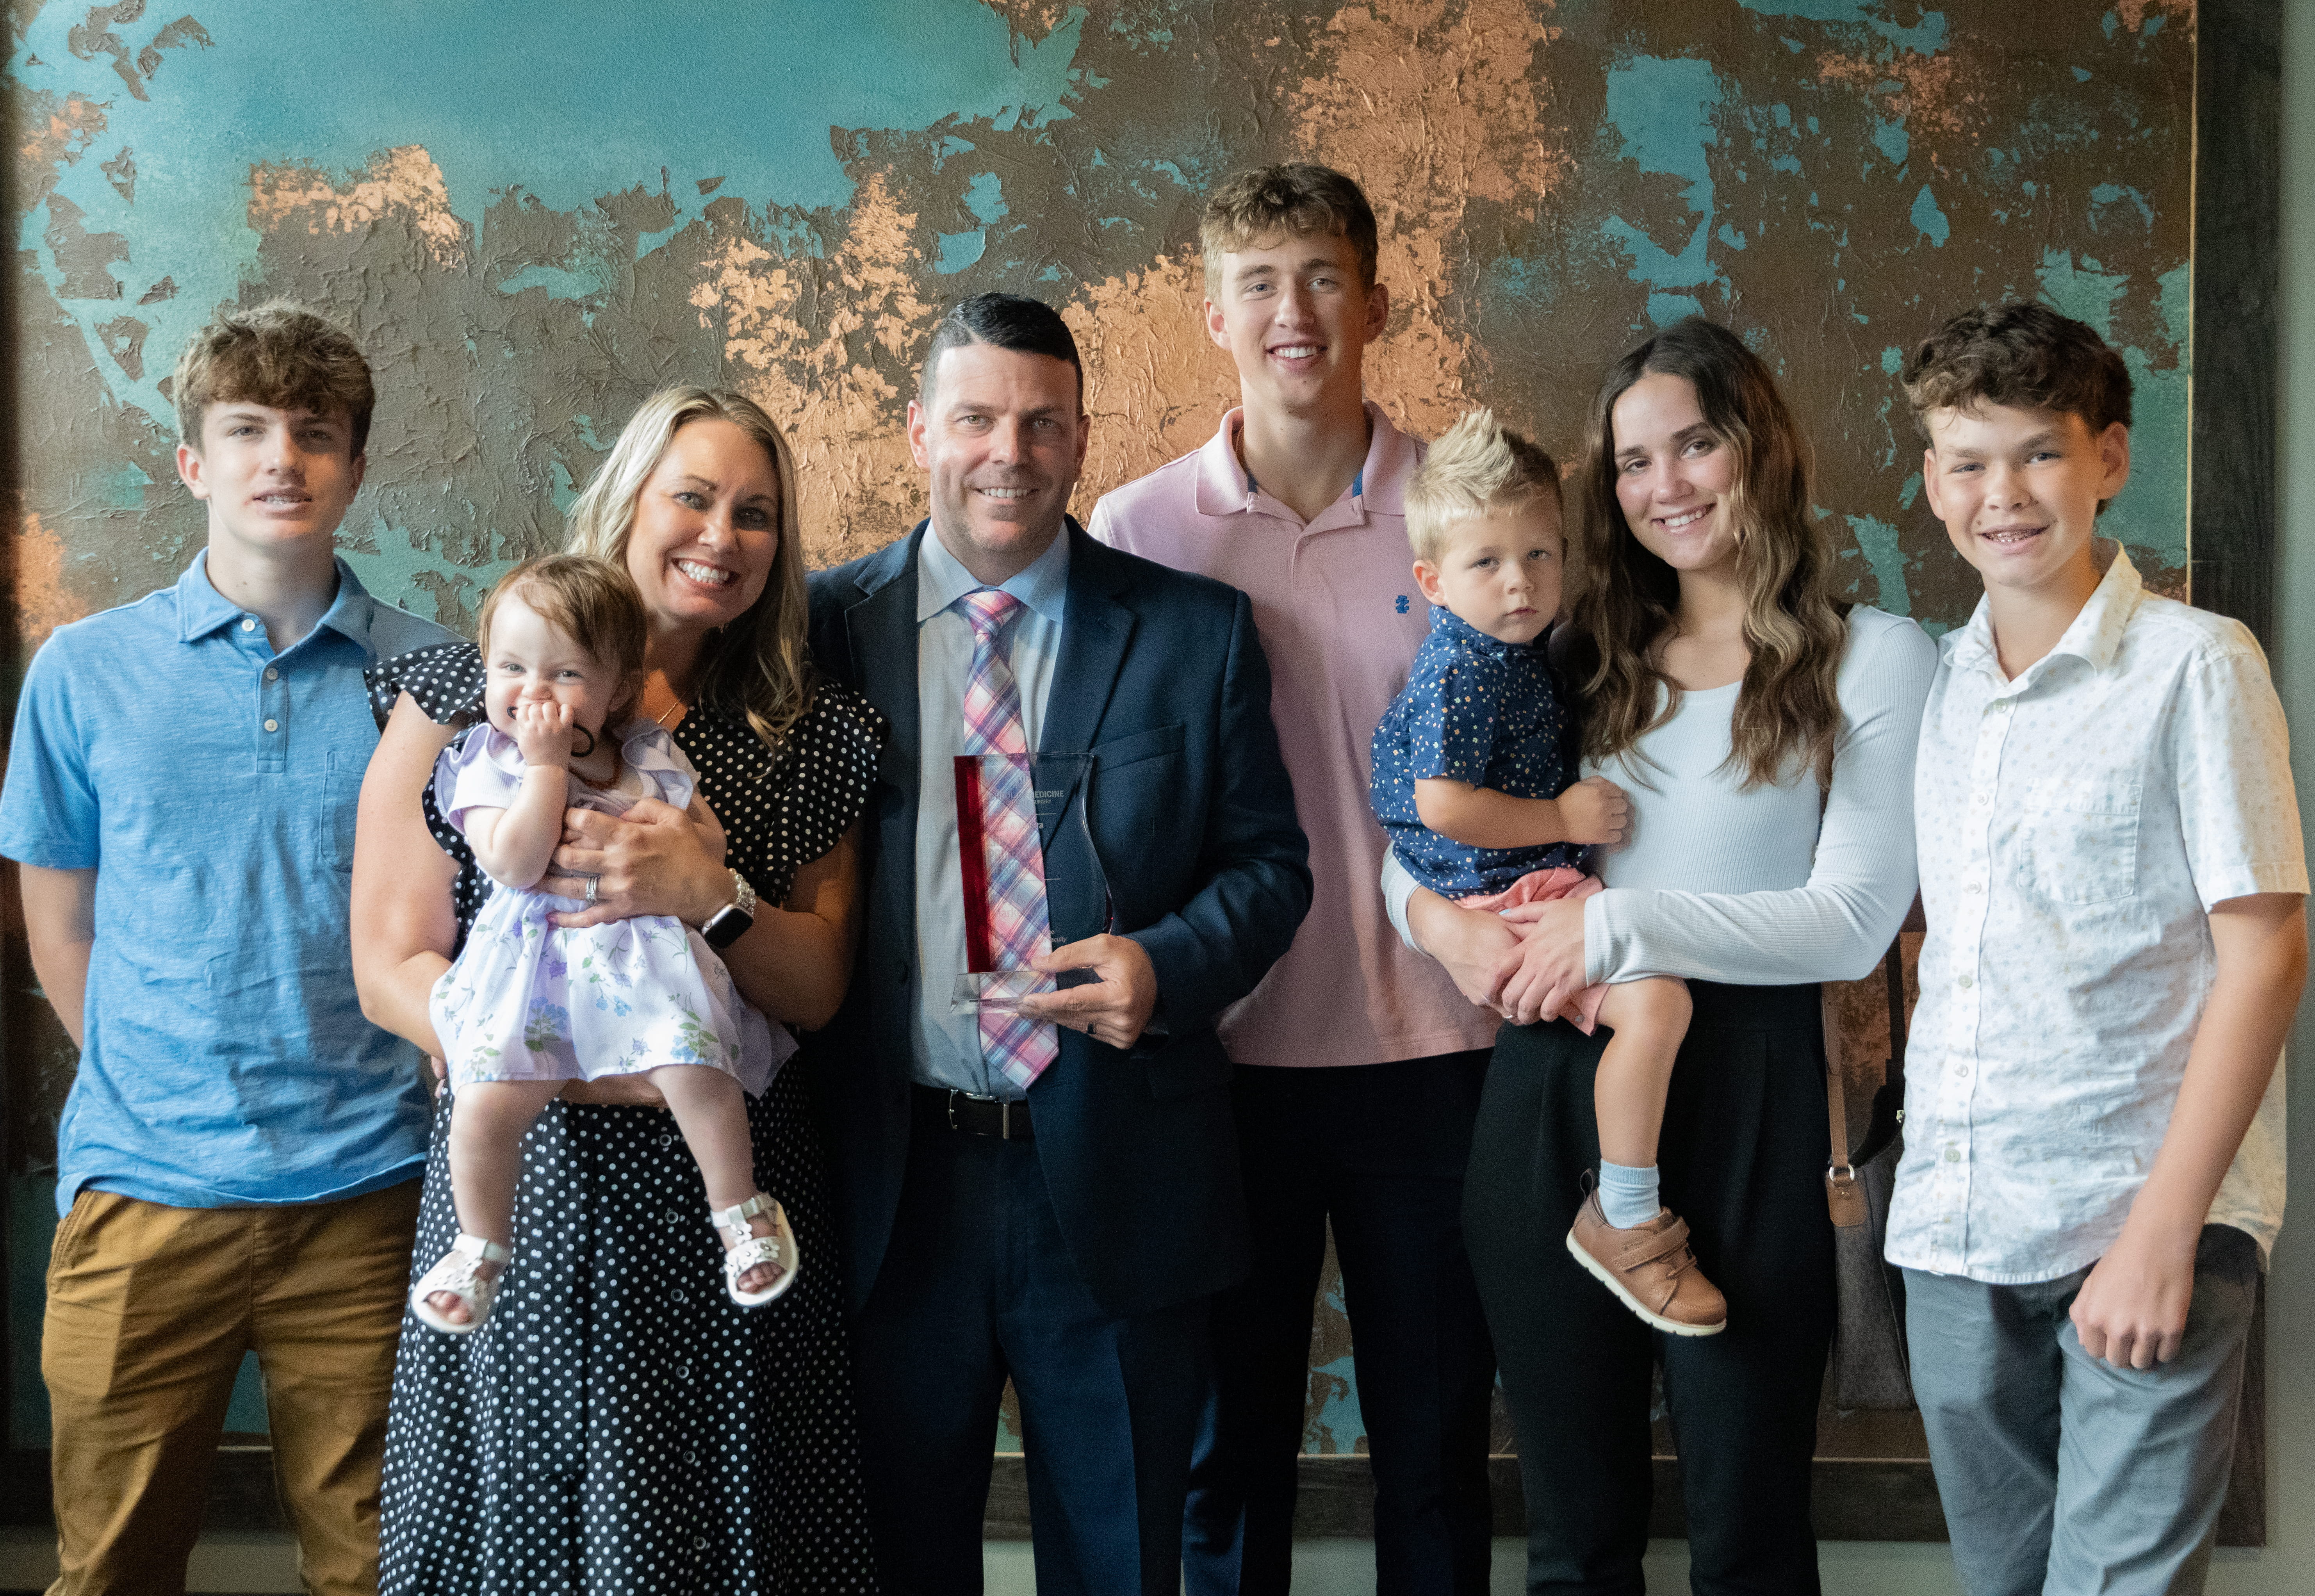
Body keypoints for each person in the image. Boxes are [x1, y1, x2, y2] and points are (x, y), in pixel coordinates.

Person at [1384, 317, 1938, 1592]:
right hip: (1547, 1085)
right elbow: (1413, 822)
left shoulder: (1875, 657)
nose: (1667, 484)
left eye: (1698, 443)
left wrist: (1615, 922)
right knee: (1573, 1540)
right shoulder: (1569, 653)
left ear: (1762, 448)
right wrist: (1451, 928)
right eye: (1636, 462)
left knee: (1748, 1534)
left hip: (1753, 1100)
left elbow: (1852, 918)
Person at [806, 290, 1310, 1595]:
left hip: (1119, 1169)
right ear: (920, 428)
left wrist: (1170, 963)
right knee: (899, 1554)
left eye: (1041, 422)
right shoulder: (817, 632)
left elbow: (1272, 869)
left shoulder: (1192, 633)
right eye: (975, 417)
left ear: (1084, 437)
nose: (1007, 452)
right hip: (893, 1179)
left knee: (1124, 1554)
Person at [351, 387, 885, 1592]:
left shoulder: (809, 730)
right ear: (630, 500)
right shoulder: (465, 694)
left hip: (724, 1200)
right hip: (522, 1192)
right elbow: (389, 966)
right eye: (691, 496)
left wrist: (708, 889)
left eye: (756, 514)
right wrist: (557, 1059)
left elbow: (815, 987)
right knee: (525, 1532)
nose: (721, 534)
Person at [1088, 162, 1501, 1594]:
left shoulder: (1472, 511)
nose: (1294, 312)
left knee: (1438, 1450)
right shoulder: (1137, 535)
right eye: (1259, 283)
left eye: (1322, 276)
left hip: (1444, 1051)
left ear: (1376, 301)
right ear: (1211, 314)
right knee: (1227, 1456)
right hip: (1223, 1060)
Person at [0, 302, 456, 1595]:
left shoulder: (438, 675)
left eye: (316, 434)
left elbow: (464, 930)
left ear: (356, 467)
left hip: (374, 1193)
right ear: (194, 460)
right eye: (247, 429)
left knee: (379, 1568)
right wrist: (168, 1081)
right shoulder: (83, 672)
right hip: (146, 1190)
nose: (282, 459)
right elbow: (61, 922)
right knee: (111, 1567)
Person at [1890, 303, 2308, 1594]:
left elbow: (2269, 951)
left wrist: (2163, 1231)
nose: (2002, 494)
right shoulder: (1941, 683)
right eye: (1968, 460)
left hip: (2135, 1218)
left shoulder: (2196, 666)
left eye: (2040, 454)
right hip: (1958, 1228)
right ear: (1932, 480)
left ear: (2110, 459)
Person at [1369, 409, 1713, 1336]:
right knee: (1659, 1004)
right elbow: (1440, 802)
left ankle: (1625, 1206)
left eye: (1541, 555)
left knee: (1654, 1005)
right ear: (1432, 581)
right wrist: (1561, 819)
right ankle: (1627, 1216)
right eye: (1487, 564)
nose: (1520, 583)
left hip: (1516, 879)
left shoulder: (1515, 654)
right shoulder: (1465, 670)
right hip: (1512, 888)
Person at [406, 554, 795, 1334]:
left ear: (619, 688)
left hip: (640, 967)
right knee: (481, 1106)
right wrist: (546, 771)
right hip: (530, 977)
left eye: (565, 673)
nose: (533, 692)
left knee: (698, 1071)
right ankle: (481, 1244)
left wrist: (681, 841)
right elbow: (515, 860)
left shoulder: (649, 753)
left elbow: (706, 847)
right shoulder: (484, 760)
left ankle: (741, 1213)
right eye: (511, 666)